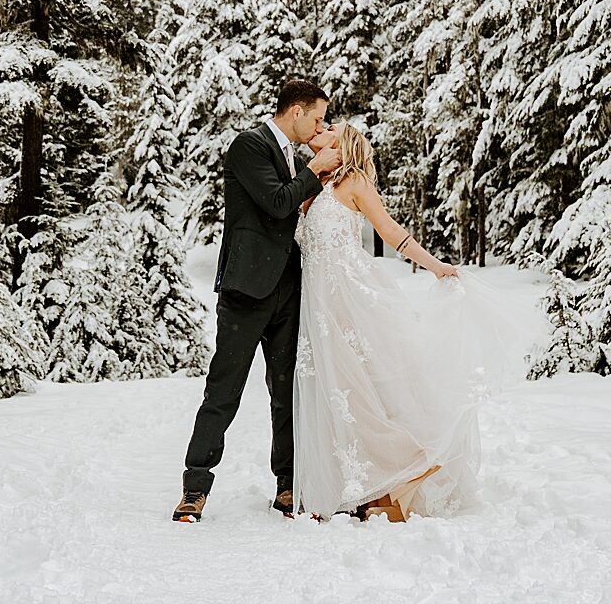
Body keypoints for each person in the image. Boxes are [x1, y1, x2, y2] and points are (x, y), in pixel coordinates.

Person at [293, 121, 496, 522]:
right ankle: (370, 487)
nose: (321, 127)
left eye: (330, 125)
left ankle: (415, 461)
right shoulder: (313, 186)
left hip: (349, 298)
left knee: (362, 390)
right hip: (318, 305)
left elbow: (391, 231)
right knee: (342, 394)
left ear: (344, 142)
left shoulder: (355, 183)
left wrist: (436, 267)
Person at [172, 79, 341, 522]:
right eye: (318, 117)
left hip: (289, 290)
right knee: (224, 389)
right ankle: (195, 485)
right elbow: (278, 203)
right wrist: (316, 168)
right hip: (247, 290)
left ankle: (288, 486)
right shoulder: (248, 145)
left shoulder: (291, 156)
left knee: (287, 392)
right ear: (297, 111)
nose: (320, 126)